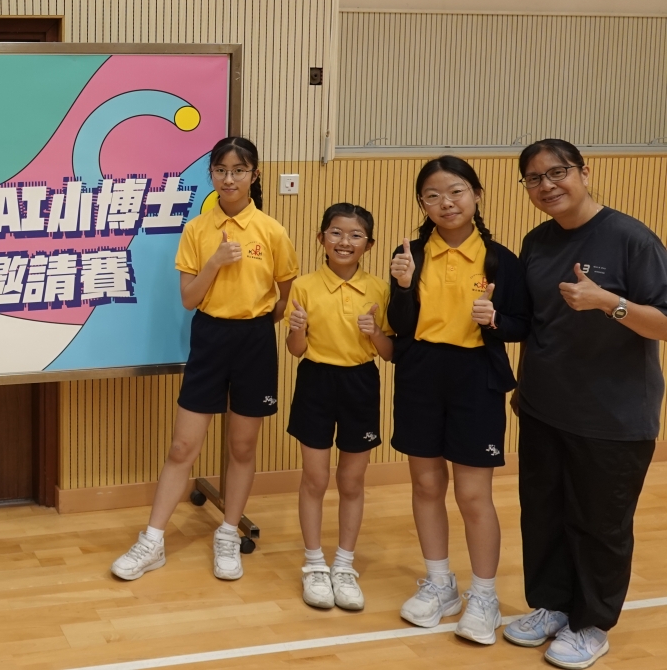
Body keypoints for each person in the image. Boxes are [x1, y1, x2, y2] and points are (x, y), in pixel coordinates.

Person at [503, 139, 667, 669]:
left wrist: (609, 303)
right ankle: (553, 606)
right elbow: (536, 323)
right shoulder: (536, 242)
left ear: (584, 172)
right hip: (545, 406)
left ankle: (592, 624)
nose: (547, 185)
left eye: (557, 173)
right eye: (534, 178)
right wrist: (524, 385)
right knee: (544, 514)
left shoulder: (631, 238)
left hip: (613, 415)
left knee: (601, 523)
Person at [111, 136, 297, 583]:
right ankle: (153, 540)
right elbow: (189, 299)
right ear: (211, 174)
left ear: (254, 175)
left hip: (254, 340)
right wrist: (214, 262)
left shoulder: (272, 230)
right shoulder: (197, 229)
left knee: (242, 447)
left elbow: (283, 296)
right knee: (182, 447)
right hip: (209, 337)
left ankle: (228, 533)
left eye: (239, 170)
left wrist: (257, 324)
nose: (229, 179)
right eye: (221, 170)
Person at [388, 156, 528, 645]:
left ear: (476, 195)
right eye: (433, 195)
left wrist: (496, 319)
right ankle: (440, 584)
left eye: (456, 192)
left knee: (472, 494)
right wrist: (402, 286)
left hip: (475, 379)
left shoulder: (500, 260)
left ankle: (484, 596)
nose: (445, 203)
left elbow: (521, 323)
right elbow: (399, 325)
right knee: (426, 484)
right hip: (420, 375)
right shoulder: (409, 254)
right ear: (421, 203)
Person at [284, 203, 393, 612]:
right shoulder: (304, 286)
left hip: (360, 383)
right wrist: (297, 331)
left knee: (352, 480)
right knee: (314, 478)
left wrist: (376, 331)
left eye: (355, 235)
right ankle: (314, 564)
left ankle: (344, 565)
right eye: (336, 232)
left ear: (369, 244)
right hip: (315, 381)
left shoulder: (380, 289)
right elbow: (296, 350)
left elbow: (389, 353)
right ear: (321, 238)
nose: (344, 241)